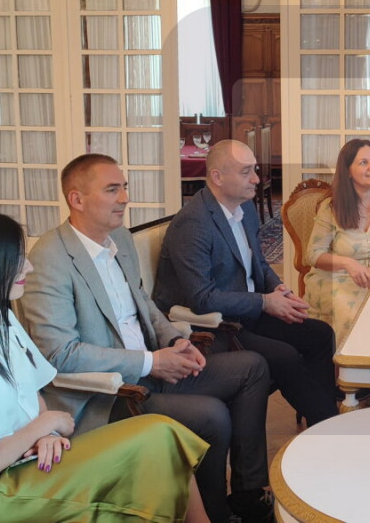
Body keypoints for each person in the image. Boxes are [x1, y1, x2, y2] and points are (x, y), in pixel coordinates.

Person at [20, 154, 272, 523]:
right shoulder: (50, 258)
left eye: (124, 188)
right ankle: (214, 514)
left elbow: (144, 304)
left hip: (152, 367)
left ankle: (248, 496)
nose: (124, 198)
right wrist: (151, 362)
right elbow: (60, 354)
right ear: (77, 199)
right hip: (107, 394)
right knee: (211, 416)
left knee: (252, 367)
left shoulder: (119, 238)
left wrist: (174, 342)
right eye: (112, 190)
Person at [0, 208, 211, 523]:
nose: (29, 267)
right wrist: (46, 425)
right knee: (158, 436)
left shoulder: (0, 319)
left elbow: (34, 397)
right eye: (17, 259)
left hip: (25, 464)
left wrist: (46, 434)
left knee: (161, 437)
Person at [153, 141, 339, 426]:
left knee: (320, 334)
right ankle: (328, 426)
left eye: (255, 170)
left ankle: (322, 419)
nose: (256, 179)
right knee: (285, 356)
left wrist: (278, 290)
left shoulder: (245, 208)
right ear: (217, 177)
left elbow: (259, 264)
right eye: (246, 172)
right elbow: (202, 298)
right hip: (215, 324)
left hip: (247, 311)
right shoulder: (193, 224)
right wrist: (265, 302)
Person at [304, 139, 370, 344]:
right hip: (335, 278)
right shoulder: (331, 206)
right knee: (351, 315)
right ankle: (344, 364)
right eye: (363, 162)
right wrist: (347, 263)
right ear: (347, 171)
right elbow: (313, 254)